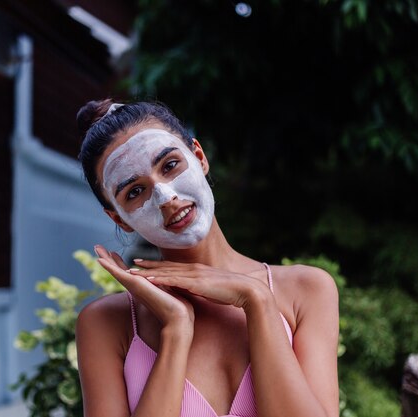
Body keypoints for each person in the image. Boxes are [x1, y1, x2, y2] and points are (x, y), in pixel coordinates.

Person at [74, 98, 340, 417]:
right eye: (134, 192)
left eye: (170, 165)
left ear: (199, 157)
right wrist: (176, 328)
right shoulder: (108, 323)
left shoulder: (307, 290)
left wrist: (257, 300)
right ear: (119, 218)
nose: (166, 197)